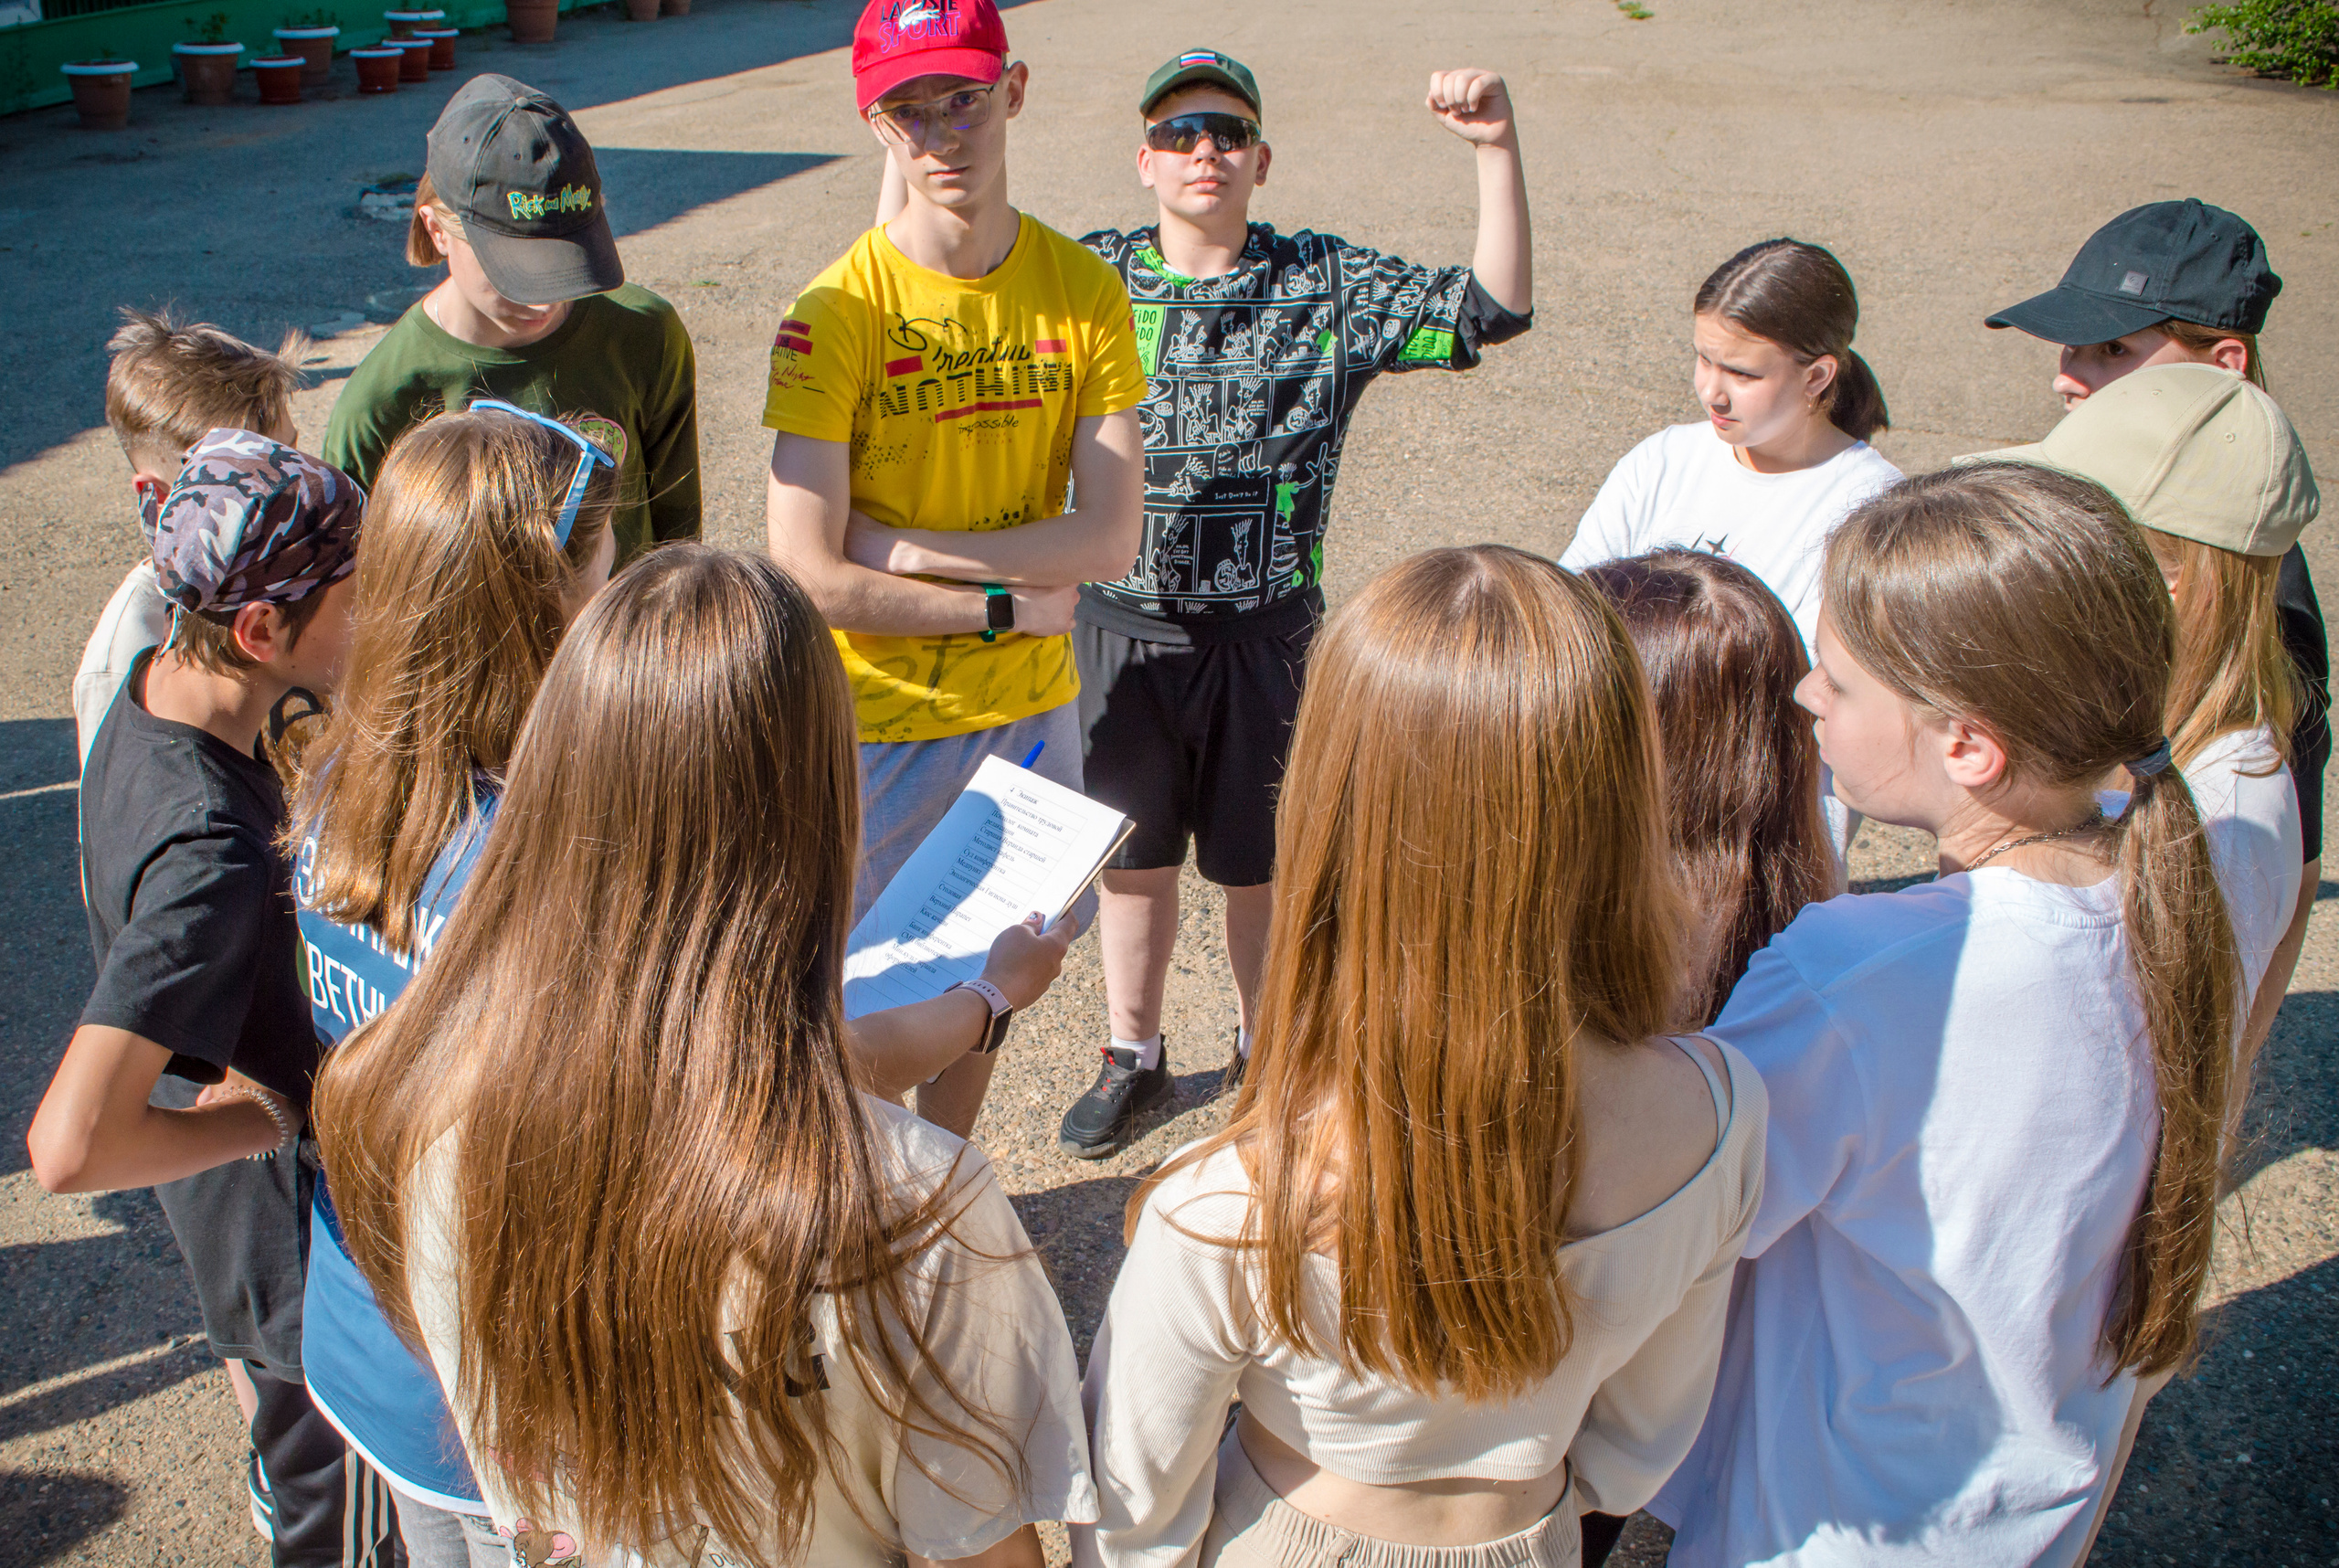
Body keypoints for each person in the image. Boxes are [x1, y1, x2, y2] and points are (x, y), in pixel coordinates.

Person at [291, 406, 1081, 1565]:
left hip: (441, 1368)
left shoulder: (339, 817)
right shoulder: (909, 1205)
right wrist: (985, 1002)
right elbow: (754, 1087)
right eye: (602, 577)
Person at [1076, 546, 1768, 1568]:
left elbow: (1130, 1516)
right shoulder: (1720, 1112)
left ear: (1331, 801)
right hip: (1536, 1537)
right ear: (1624, 787)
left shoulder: (1230, 1203)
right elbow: (1640, 1441)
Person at [1653, 463, 2244, 1566]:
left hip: (1831, 1525)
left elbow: (1673, 1220)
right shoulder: (2166, 899)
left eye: (1838, 682)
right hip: (2025, 1511)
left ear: (1968, 744)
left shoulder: (1853, 975)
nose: (1804, 697)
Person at [1040, 50, 1534, 1157]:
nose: (1203, 151)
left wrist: (1496, 149)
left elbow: (1491, 309)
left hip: (1264, 636)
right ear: (1143, 161)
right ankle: (1132, 1053)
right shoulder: (1086, 278)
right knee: (1131, 863)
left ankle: (1267, 1051)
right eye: (1178, 134)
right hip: (1119, 629)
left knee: (1259, 866)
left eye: (1227, 132)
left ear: (1261, 160)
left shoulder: (1323, 282)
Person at [765, 0, 1146, 1138]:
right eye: (910, 111)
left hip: (1032, 714)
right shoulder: (832, 313)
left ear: (1012, 91)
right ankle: (862, 1204)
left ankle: (945, 1181)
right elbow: (807, 575)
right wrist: (999, 607)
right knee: (859, 998)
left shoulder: (1083, 290)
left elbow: (1109, 538)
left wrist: (908, 551)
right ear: (875, 126)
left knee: (997, 977)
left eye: (964, 100)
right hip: (879, 718)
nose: (943, 136)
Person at [27, 432, 366, 1568]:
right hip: (293, 1256)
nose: (381, 619)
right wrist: (273, 1114)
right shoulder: (208, 850)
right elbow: (70, 1147)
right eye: (359, 599)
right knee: (345, 1534)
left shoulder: (150, 691)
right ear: (261, 630)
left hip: (240, 1230)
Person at [1984, 198, 2325, 1087]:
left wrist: (2212, 1104)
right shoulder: (2106, 508)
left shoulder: (2257, 610)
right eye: (2068, 347)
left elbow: (2289, 881)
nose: (2065, 378)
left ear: (2224, 364)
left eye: (2111, 350)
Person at [324, 73, 702, 565]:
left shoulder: (643, 333)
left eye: (568, 264)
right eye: (516, 272)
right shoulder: (380, 404)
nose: (545, 304)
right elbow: (357, 589)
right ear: (437, 231)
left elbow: (679, 545)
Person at [1558, 238, 1900, 658]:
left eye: (1742, 374)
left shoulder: (1871, 509)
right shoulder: (1661, 459)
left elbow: (1824, 675)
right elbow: (1564, 610)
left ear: (1816, 377)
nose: (1711, 394)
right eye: (1703, 359)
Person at [77, 307, 307, 766]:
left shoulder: (300, 576)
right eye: (252, 484)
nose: (295, 493)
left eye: (294, 456)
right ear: (160, 496)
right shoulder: (127, 653)